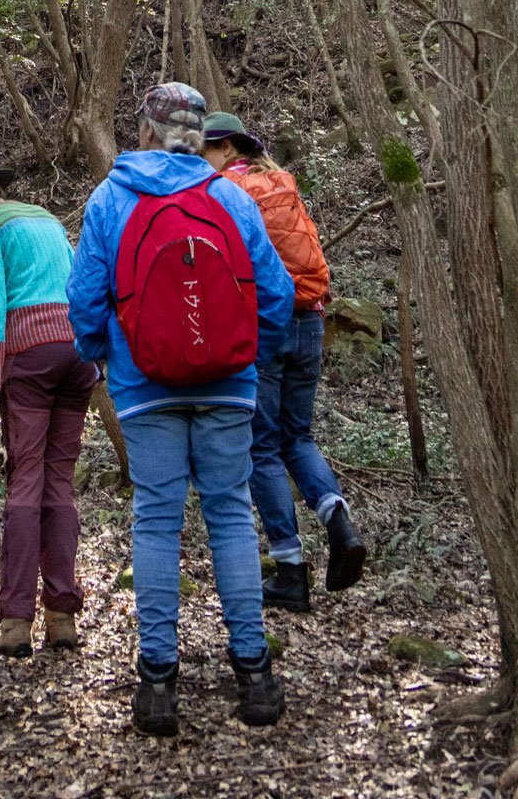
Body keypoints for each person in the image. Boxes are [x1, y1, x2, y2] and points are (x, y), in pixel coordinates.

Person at [67, 83, 295, 737]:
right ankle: (253, 673)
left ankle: (159, 684)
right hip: (229, 383)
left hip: (144, 387)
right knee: (230, 514)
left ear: (145, 130)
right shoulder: (230, 197)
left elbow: (84, 300)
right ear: (199, 136)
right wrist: (245, 357)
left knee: (157, 520)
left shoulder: (112, 198)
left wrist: (103, 356)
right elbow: (276, 295)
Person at [204, 110, 367, 611]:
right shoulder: (281, 183)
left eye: (205, 150)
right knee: (298, 437)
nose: (200, 160)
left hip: (266, 324)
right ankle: (339, 523)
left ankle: (291, 571)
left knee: (262, 447)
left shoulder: (226, 192)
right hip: (311, 320)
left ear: (227, 148)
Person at [0, 158, 97, 658]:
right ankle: (62, 617)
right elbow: (80, 285)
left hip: (30, 360)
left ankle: (15, 622)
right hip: (76, 355)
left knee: (25, 482)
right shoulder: (45, 218)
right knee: (59, 484)